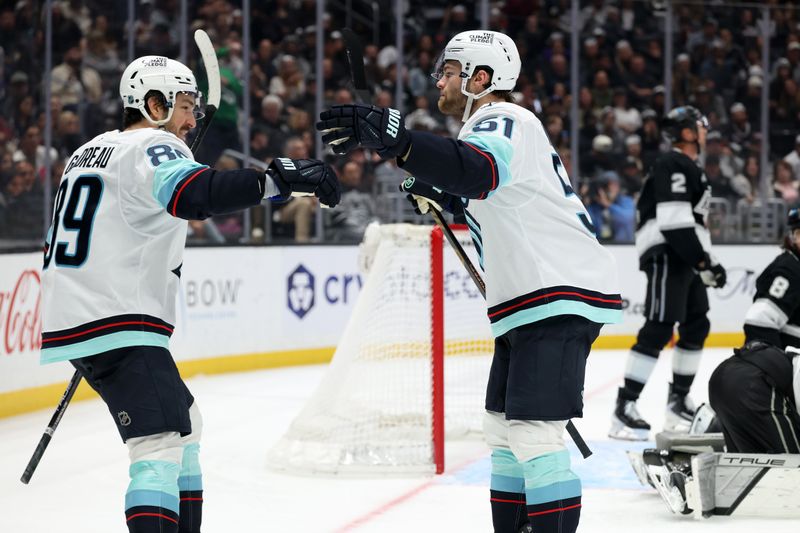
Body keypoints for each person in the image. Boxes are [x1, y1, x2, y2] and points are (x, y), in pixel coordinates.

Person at [317, 30, 622, 533]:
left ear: (481, 78)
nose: (441, 78)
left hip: (556, 294)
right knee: (503, 431)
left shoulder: (504, 118)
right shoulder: (487, 129)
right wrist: (446, 197)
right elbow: (486, 191)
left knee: (533, 434)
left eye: (451, 70)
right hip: (532, 300)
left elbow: (479, 172)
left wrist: (401, 142)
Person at [40, 55, 340, 533]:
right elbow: (193, 196)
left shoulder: (90, 150)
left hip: (84, 314)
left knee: (186, 426)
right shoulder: (155, 145)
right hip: (118, 319)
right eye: (183, 105)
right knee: (157, 445)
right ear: (152, 103)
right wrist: (275, 181)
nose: (192, 118)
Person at [609, 106, 727, 441]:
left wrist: (706, 260)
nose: (705, 131)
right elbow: (674, 223)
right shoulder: (673, 163)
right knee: (659, 327)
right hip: (668, 253)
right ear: (688, 132)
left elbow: (691, 224)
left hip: (684, 255)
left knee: (696, 324)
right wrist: (703, 262)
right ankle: (624, 407)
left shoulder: (690, 167)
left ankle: (678, 401)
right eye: (701, 126)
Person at [708, 208, 800, 453]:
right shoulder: (790, 269)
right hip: (763, 383)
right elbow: (759, 322)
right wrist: (773, 372)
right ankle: (712, 426)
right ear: (792, 236)